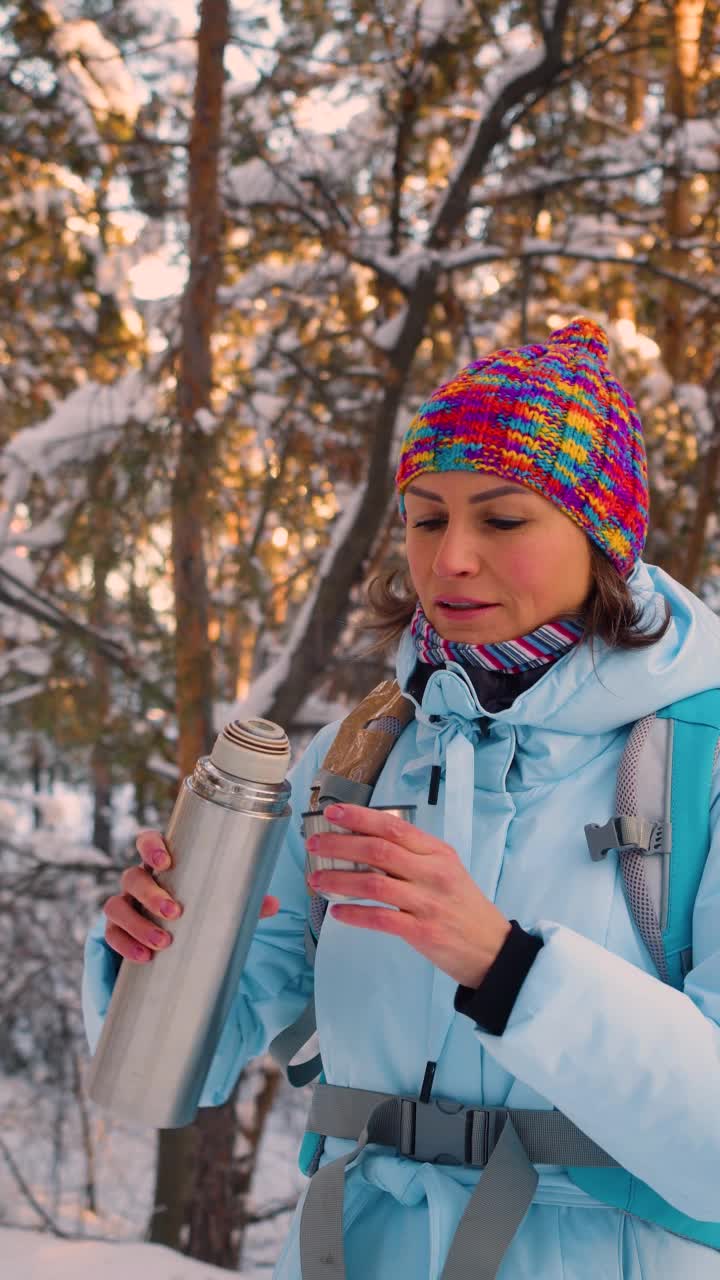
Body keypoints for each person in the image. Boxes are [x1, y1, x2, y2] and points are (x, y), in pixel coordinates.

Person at [83, 318, 720, 1279]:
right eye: (426, 517)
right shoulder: (369, 748)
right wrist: (151, 953)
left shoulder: (698, 760)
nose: (451, 557)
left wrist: (508, 968)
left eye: (502, 520)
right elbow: (207, 1059)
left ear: (604, 541)